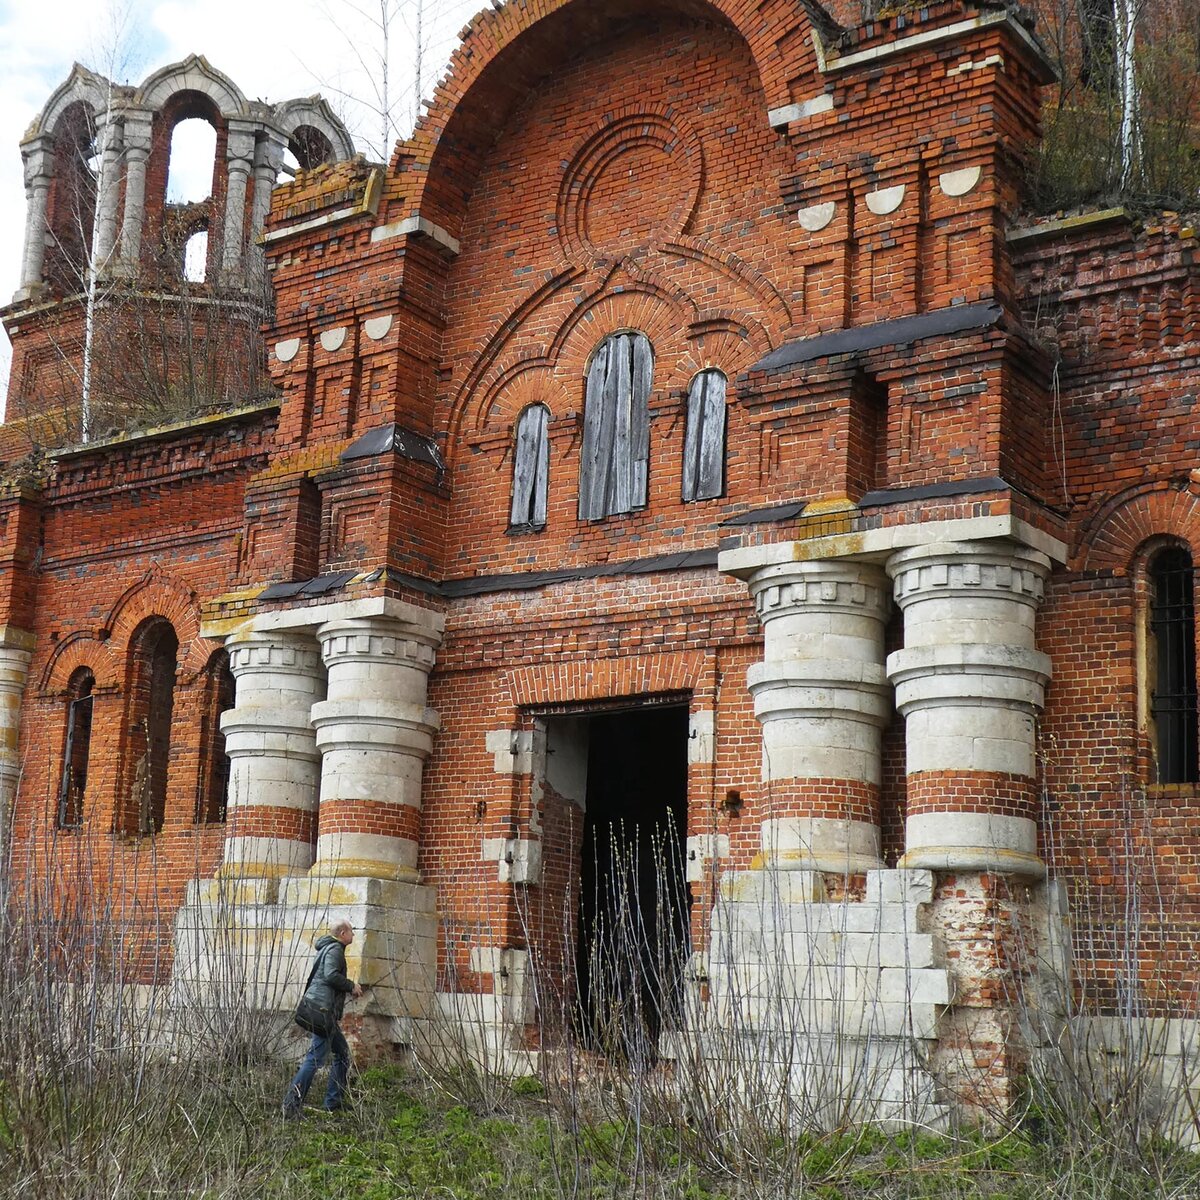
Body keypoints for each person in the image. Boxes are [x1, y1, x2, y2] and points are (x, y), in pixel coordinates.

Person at [282, 919, 363, 1117]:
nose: (353, 935)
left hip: (321, 1009)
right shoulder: (335, 949)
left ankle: (333, 1103)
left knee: (342, 1054)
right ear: (342, 933)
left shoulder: (328, 947)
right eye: (351, 931)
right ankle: (291, 1105)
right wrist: (351, 986)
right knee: (314, 1059)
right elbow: (330, 975)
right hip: (322, 1011)